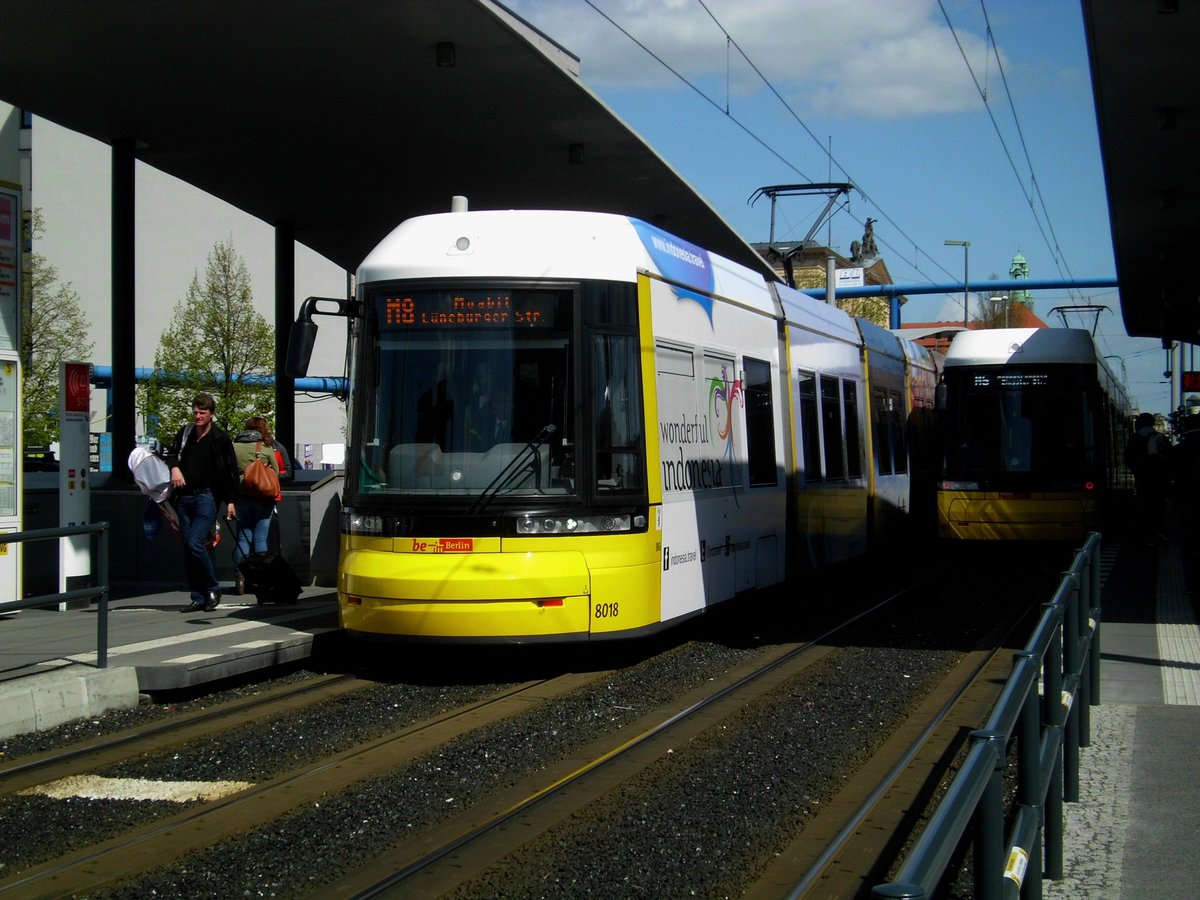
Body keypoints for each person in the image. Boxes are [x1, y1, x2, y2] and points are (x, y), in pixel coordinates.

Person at [163, 392, 239, 612]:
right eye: (195, 412)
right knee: (188, 547)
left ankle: (212, 587)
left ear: (211, 415)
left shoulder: (220, 439)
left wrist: (230, 501)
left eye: (202, 413)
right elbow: (171, 454)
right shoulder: (185, 433)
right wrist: (174, 467)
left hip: (207, 496)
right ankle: (198, 596)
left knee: (194, 543)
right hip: (184, 496)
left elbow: (230, 471)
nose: (198, 416)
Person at [232, 416, 282, 594]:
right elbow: (275, 472)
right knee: (260, 539)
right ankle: (260, 580)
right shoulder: (265, 447)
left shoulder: (234, 447)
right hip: (263, 498)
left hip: (242, 497)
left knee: (243, 538)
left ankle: (240, 577)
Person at [1125, 411, 1171, 540]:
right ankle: (1160, 532)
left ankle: (1146, 535)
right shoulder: (1160, 438)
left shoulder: (1134, 439)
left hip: (1142, 480)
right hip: (1159, 481)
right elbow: (1168, 459)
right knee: (1158, 506)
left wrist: (1137, 471)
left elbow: (1129, 460)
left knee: (1144, 506)